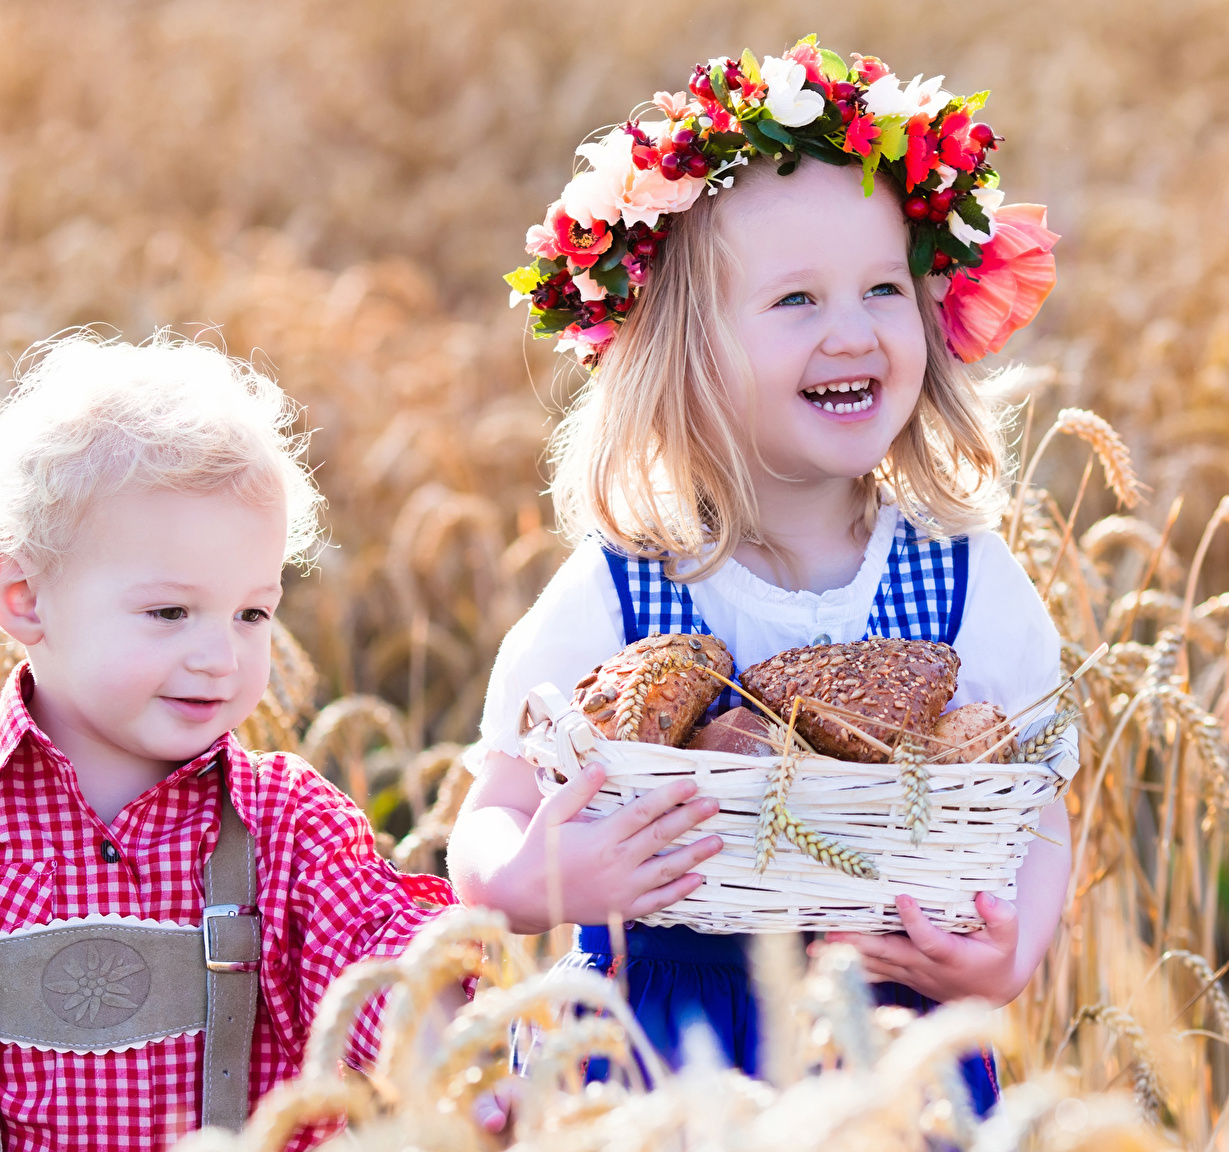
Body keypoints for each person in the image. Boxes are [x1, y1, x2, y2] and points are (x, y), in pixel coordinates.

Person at [447, 38, 1071, 1109]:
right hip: (653, 1036)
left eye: (881, 288)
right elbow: (492, 806)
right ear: (683, 351)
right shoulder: (624, 592)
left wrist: (1009, 950)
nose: (852, 333)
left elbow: (1036, 799)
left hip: (889, 1030)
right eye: (795, 302)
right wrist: (527, 880)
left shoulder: (962, 576)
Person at [0, 335, 456, 1151]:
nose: (221, 655)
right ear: (25, 597)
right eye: (170, 612)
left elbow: (379, 968)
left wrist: (451, 1067)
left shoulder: (286, 826)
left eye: (252, 612)